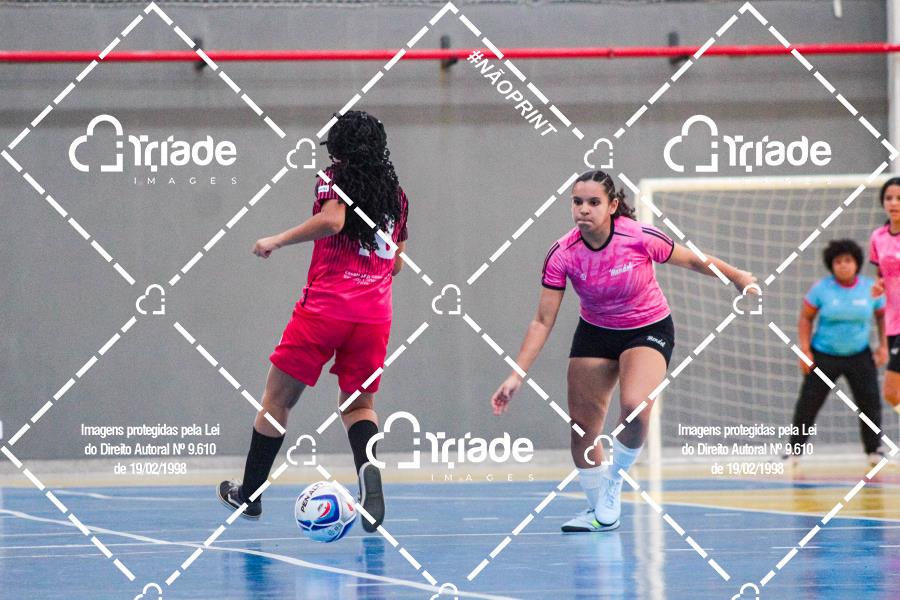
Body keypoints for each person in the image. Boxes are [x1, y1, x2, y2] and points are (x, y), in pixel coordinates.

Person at [490, 170, 755, 532]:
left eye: (594, 202)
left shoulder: (638, 236)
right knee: (582, 428)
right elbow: (542, 320)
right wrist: (516, 375)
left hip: (647, 328)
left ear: (613, 205)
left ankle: (614, 480)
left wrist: (738, 277)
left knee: (634, 408)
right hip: (596, 333)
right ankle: (599, 510)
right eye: (577, 202)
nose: (584, 209)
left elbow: (693, 260)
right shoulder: (562, 253)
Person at [218, 111, 409, 532]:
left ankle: (249, 495)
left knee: (277, 400)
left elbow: (333, 221)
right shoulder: (396, 196)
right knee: (359, 406)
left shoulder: (333, 178)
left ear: (339, 147)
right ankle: (371, 484)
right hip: (374, 315)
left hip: (326, 307)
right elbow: (396, 262)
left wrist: (277, 239)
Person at [788, 239, 886, 465]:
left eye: (848, 261)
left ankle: (874, 450)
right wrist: (805, 350)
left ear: (857, 263)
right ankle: (794, 451)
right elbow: (806, 318)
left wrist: (883, 346)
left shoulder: (870, 288)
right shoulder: (821, 289)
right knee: (808, 403)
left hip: (859, 355)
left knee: (870, 402)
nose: (843, 265)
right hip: (824, 354)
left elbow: (882, 317)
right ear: (831, 265)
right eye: (838, 261)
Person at [870, 176, 900, 415]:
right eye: (889, 198)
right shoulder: (878, 237)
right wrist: (879, 285)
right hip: (893, 322)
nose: (894, 203)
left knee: (891, 390)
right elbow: (881, 273)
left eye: (899, 198)